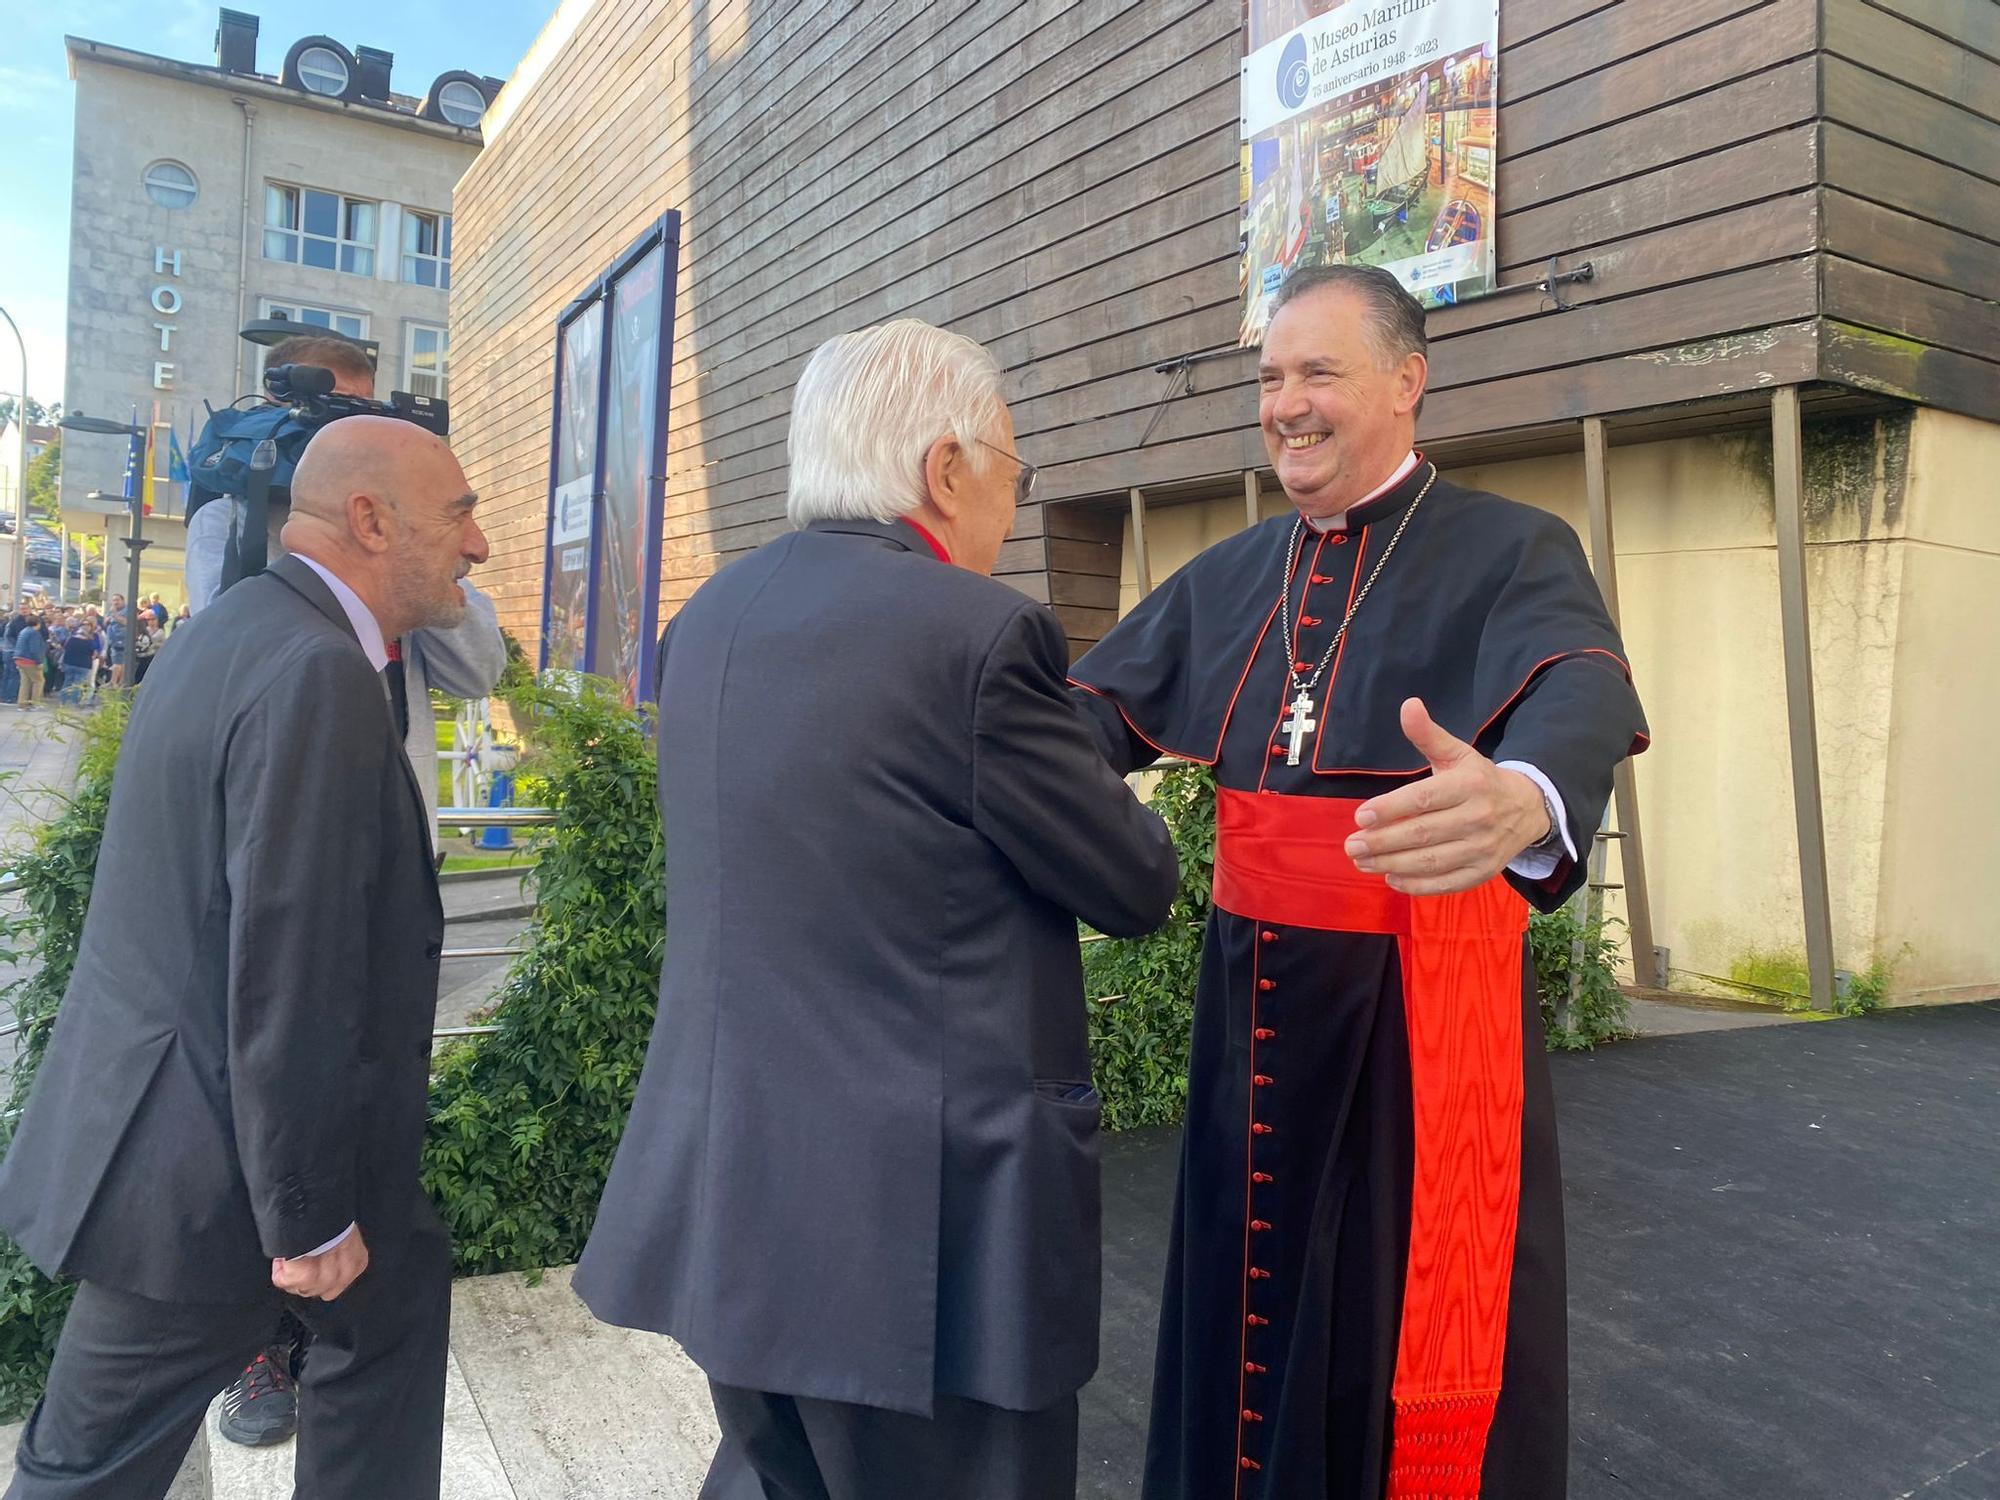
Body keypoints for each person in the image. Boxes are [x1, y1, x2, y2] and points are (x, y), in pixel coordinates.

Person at [1067, 264, 1649, 1500]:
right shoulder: (1235, 573)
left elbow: (1582, 681)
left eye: (1317, 372)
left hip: (1412, 1022)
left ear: (1404, 381)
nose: (1285, 403)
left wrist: (1525, 791)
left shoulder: (1507, 546)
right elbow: (1078, 717)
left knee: (1389, 1316)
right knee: (1243, 1302)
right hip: (1251, 1018)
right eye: (1270, 377)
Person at [575, 319, 1180, 1500]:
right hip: (927, 1237)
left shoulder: (710, 619)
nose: (1011, 501)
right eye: (1012, 471)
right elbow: (1133, 883)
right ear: (945, 466)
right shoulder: (978, 633)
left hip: (741, 1196)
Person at [0, 416, 488, 1499]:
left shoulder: (235, 629)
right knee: (84, 1473)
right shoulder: (313, 672)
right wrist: (309, 1218)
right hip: (203, 1176)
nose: (480, 546)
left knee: (397, 1297)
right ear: (371, 520)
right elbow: (288, 967)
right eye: (458, 515)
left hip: (212, 1141)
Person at [13, 615, 46, 709]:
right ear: (38, 623)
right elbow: (34, 649)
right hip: (30, 661)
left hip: (19, 659)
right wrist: (39, 661)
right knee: (38, 681)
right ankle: (35, 703)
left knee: (25, 682)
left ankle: (22, 704)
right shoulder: (34, 633)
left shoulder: (23, 631)